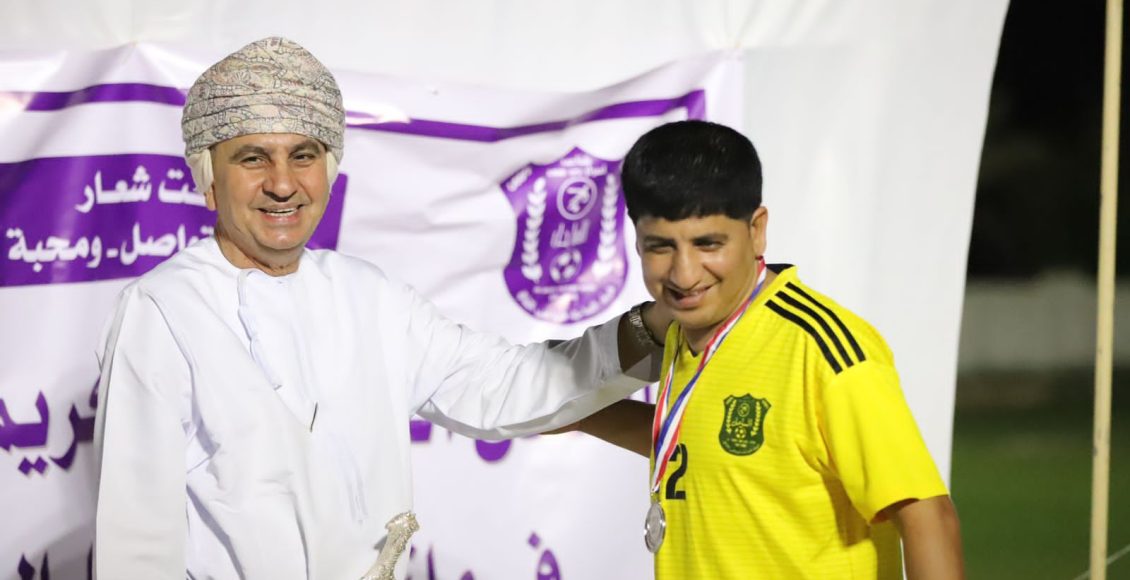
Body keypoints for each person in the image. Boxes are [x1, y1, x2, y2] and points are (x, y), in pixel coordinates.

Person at [90, 37, 668, 580]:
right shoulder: (163, 310)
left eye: (303, 155)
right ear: (208, 178)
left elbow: (504, 387)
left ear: (329, 170)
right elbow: (136, 542)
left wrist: (652, 330)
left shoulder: (367, 295)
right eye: (253, 159)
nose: (283, 184)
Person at [560, 120, 965, 579]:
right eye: (661, 247)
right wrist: (576, 413)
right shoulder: (684, 330)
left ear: (757, 230)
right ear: (636, 240)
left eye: (707, 244)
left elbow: (928, 517)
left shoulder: (823, 351)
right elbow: (712, 447)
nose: (684, 274)